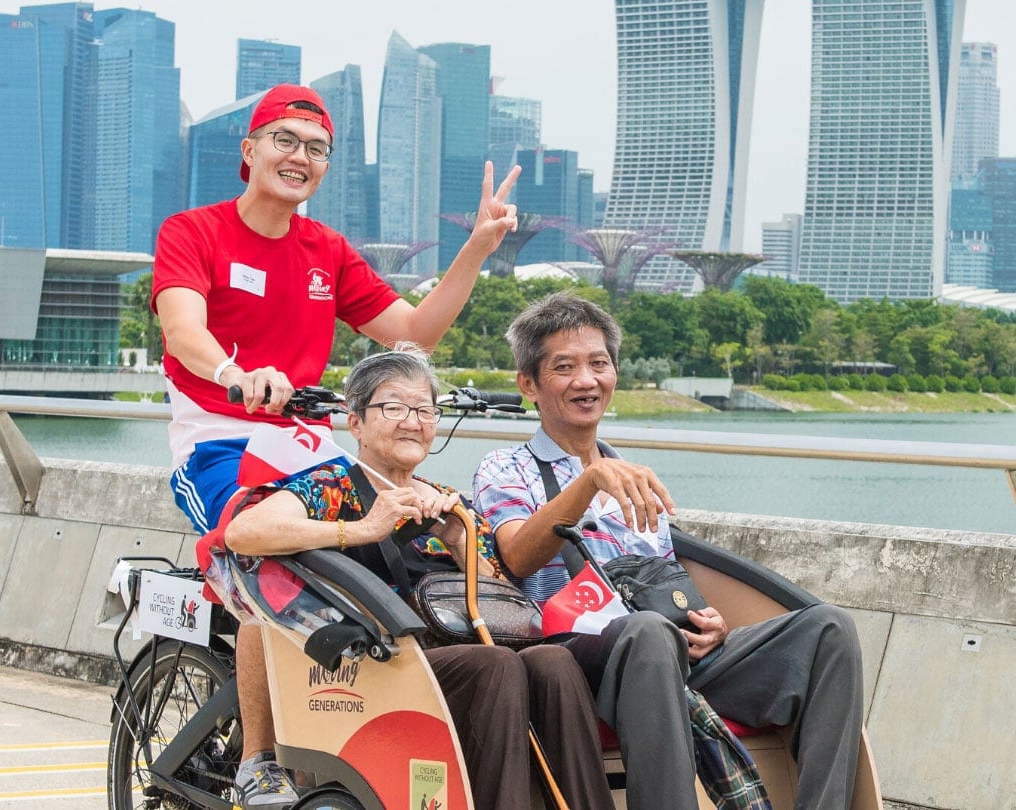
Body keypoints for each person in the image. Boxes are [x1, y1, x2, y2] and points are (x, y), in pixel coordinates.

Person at [151, 83, 519, 807]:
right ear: (250, 150)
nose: (300, 157)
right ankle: (259, 760)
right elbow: (183, 332)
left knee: (405, 539)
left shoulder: (327, 250)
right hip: (220, 440)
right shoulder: (195, 231)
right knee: (264, 558)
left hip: (307, 442)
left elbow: (414, 335)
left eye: (316, 149)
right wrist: (235, 373)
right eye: (285, 141)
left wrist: (477, 247)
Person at [472, 292, 866, 810]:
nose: (586, 381)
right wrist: (588, 483)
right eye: (565, 367)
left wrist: (709, 622)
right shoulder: (506, 469)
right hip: (575, 657)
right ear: (529, 383)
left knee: (828, 628)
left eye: (599, 364)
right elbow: (519, 556)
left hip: (671, 651)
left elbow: (664, 577)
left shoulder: (635, 475)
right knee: (649, 632)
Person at [224, 349, 615, 810]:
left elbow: (502, 603)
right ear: (357, 424)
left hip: (445, 652)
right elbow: (243, 531)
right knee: (496, 667)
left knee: (553, 662)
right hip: (373, 658)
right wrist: (363, 528)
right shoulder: (332, 486)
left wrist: (456, 540)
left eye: (424, 410)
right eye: (393, 408)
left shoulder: (445, 500)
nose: (412, 421)